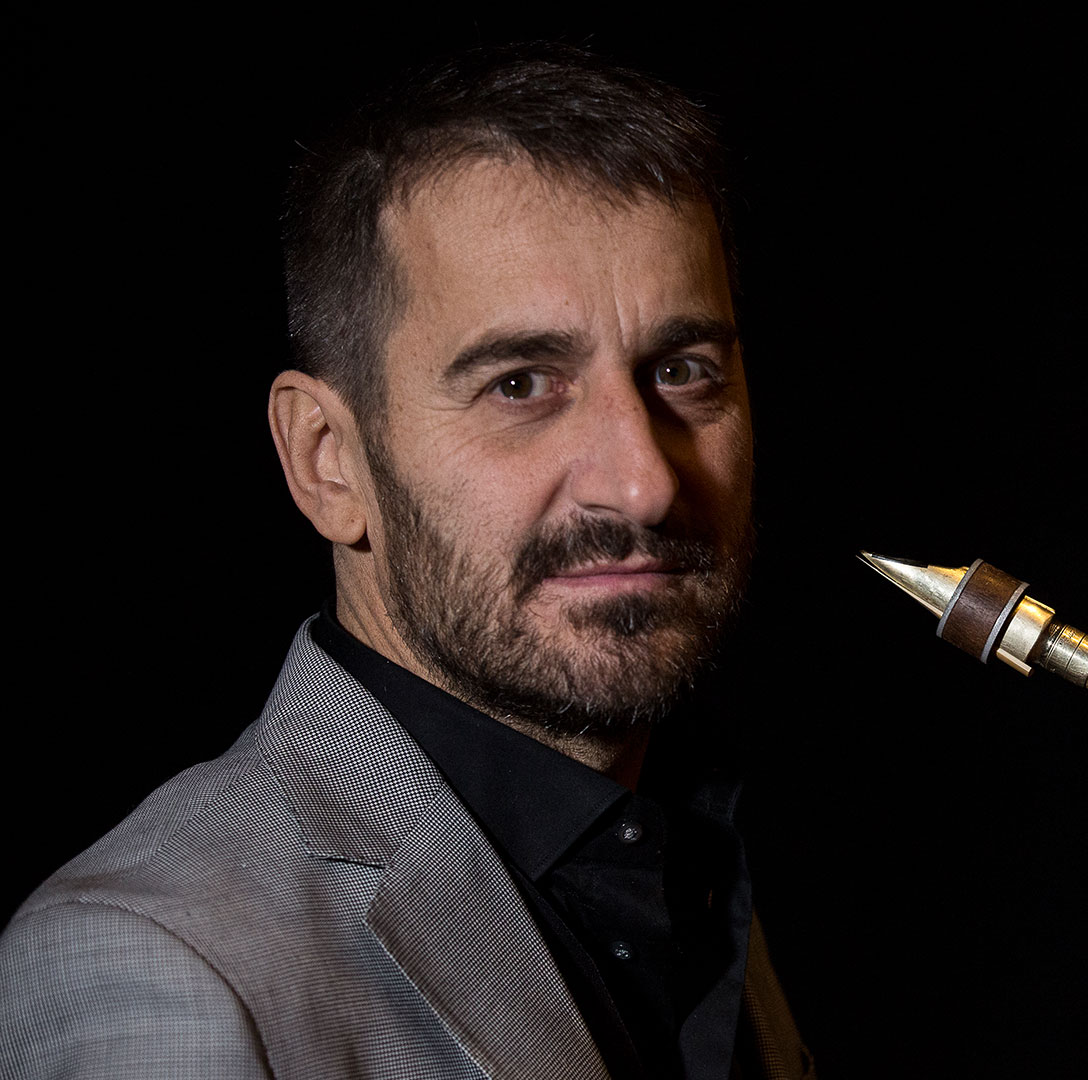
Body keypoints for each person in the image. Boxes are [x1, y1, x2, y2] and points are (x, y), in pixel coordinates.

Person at [1, 44, 812, 1080]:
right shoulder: (156, 963)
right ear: (326, 460)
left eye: (683, 370)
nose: (644, 484)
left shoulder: (670, 851)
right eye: (521, 384)